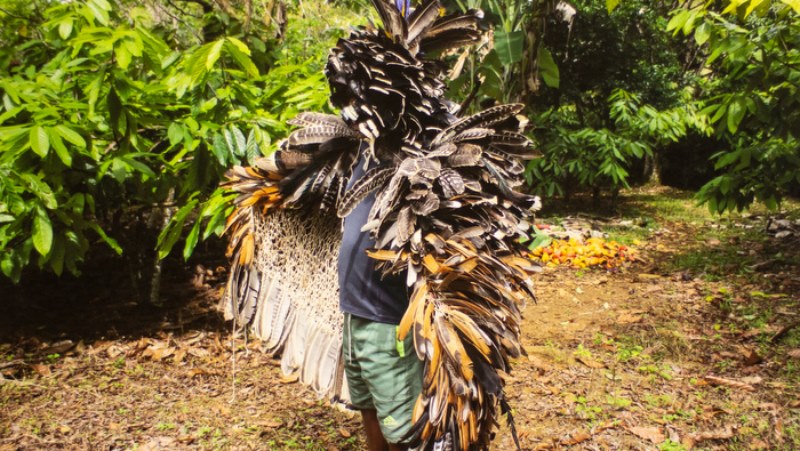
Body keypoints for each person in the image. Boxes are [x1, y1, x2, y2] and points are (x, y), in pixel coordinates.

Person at [338, 155, 423, 451]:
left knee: (399, 429)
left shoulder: (415, 152)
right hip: (353, 314)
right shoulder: (360, 150)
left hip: (388, 322)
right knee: (368, 408)